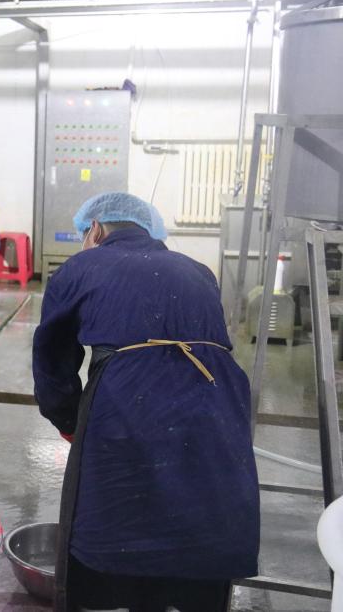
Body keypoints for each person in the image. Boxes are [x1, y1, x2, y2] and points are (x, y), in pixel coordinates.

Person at [32, 192, 259, 612]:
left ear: (95, 229)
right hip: (216, 402)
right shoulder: (199, 270)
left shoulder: (80, 266)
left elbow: (52, 360)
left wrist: (69, 420)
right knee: (202, 507)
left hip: (127, 396)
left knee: (117, 513)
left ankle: (114, 598)